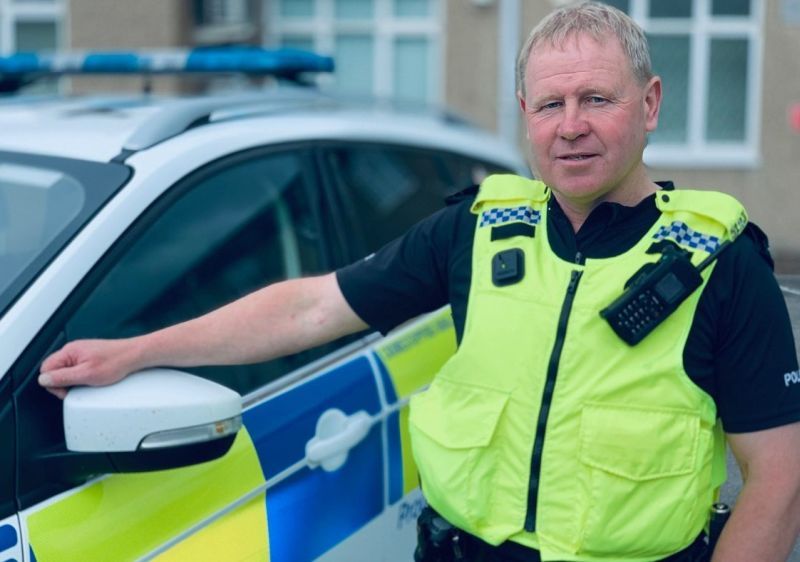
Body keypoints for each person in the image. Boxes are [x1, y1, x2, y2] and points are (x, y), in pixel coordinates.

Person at [39, 2, 800, 561]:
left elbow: (778, 477)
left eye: (597, 99)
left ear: (650, 104)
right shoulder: (476, 229)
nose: (571, 125)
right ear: (525, 115)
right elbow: (309, 308)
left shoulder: (720, 264)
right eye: (551, 104)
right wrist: (136, 352)